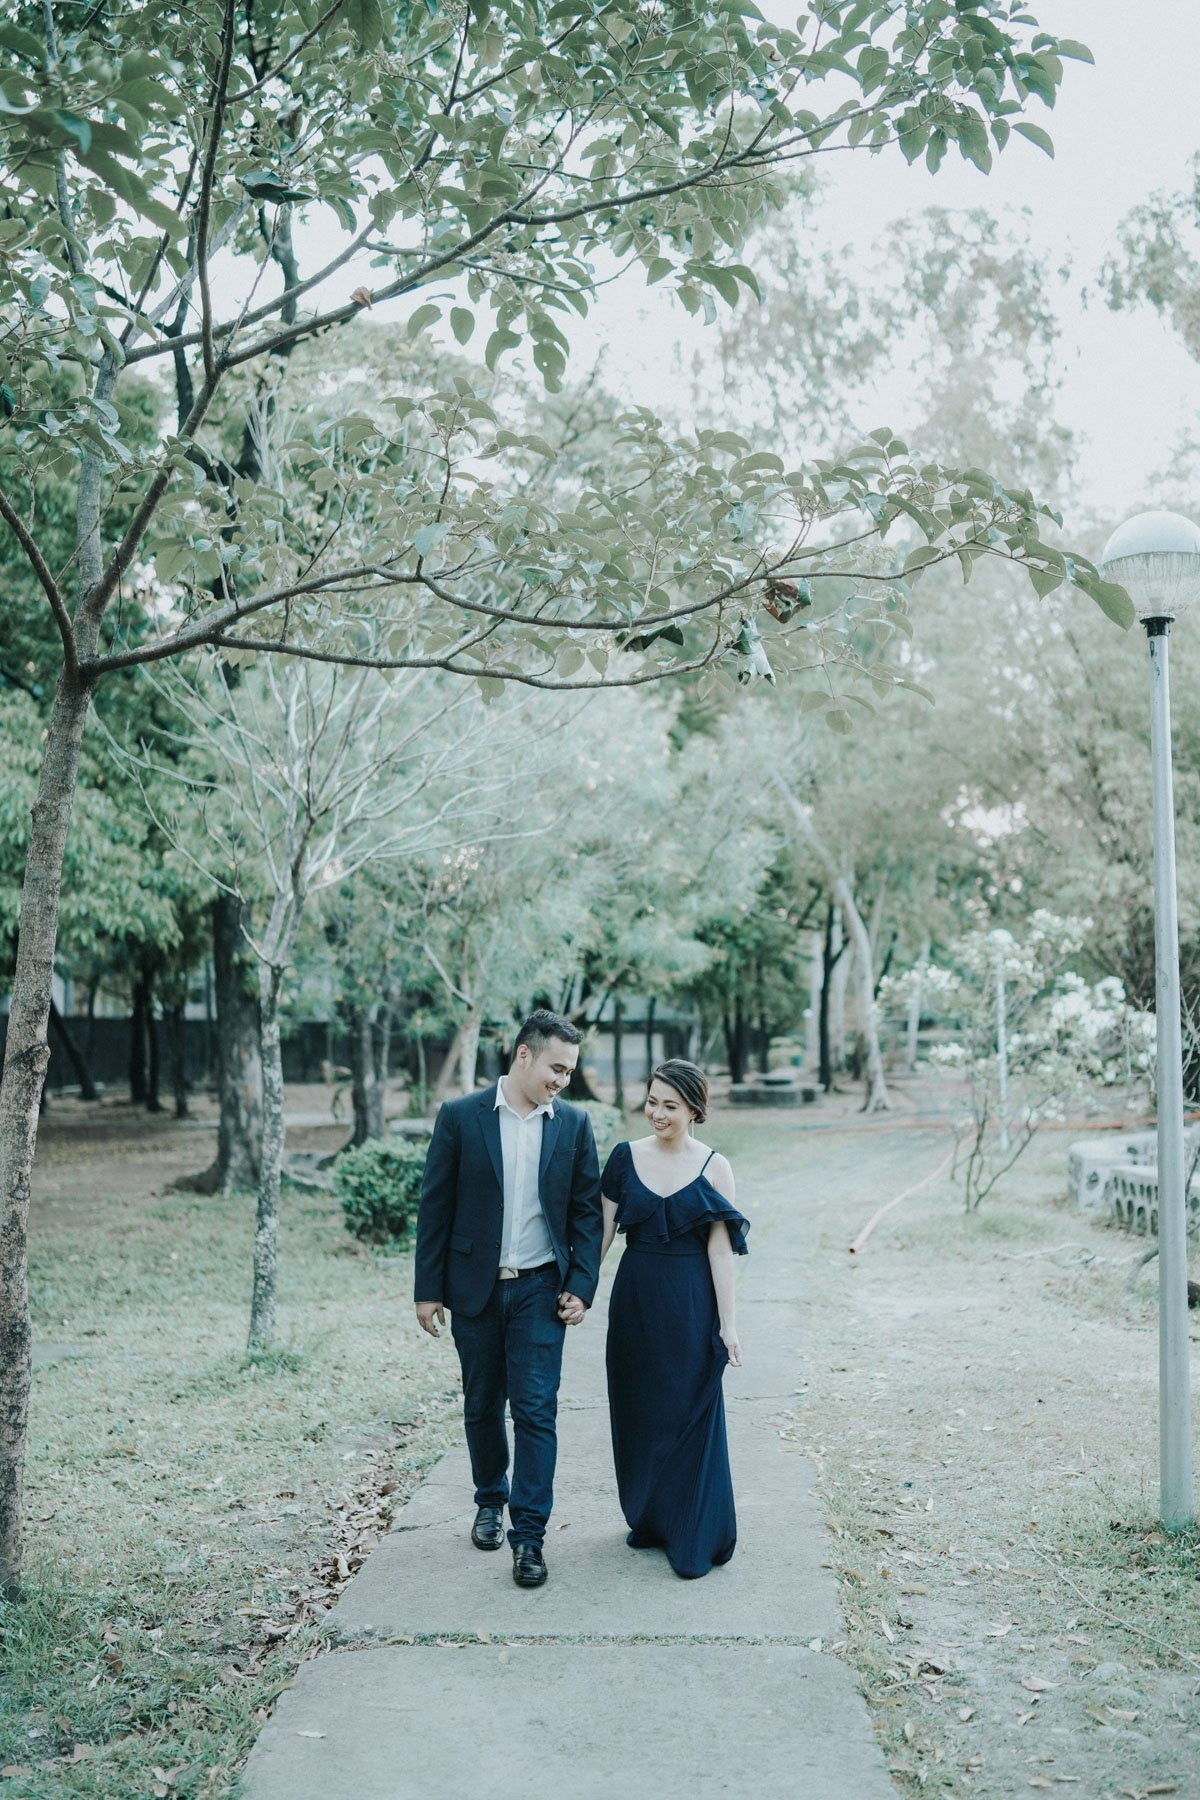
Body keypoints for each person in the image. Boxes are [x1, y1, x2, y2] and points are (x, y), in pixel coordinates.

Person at [414, 1009, 602, 1589]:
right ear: (524, 1054)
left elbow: (587, 1215)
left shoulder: (574, 1124)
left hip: (541, 1289)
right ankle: (490, 1499)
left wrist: (582, 1286)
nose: (563, 1080)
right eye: (556, 1068)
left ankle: (530, 1538)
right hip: (473, 1288)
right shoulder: (460, 1116)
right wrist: (428, 1290)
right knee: (481, 1404)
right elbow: (435, 1206)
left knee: (536, 1410)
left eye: (569, 1072)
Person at [601, 1059, 748, 1580]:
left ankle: (694, 1532)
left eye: (671, 1105)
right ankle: (651, 1517)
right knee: (641, 1410)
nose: (658, 1114)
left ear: (693, 1109)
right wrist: (578, 1293)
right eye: (652, 1102)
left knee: (690, 1412)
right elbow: (602, 1236)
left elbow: (720, 1251)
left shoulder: (715, 1167)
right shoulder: (624, 1158)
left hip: (690, 1303)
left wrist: (728, 1325)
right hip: (636, 1301)